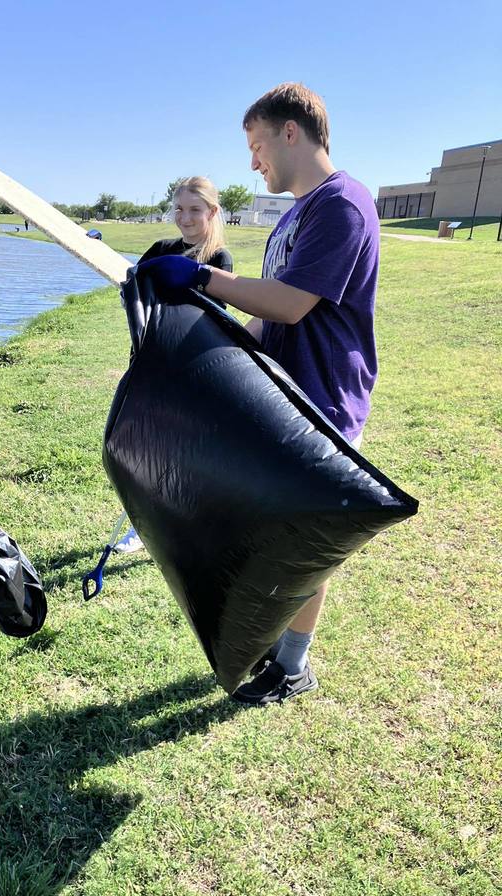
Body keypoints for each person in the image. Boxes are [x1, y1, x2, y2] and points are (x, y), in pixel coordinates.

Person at [137, 83, 380, 704]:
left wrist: (203, 276)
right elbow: (267, 317)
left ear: (290, 132)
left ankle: (293, 664)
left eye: (257, 144)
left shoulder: (341, 207)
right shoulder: (299, 212)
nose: (252, 161)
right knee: (272, 526)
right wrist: (212, 348)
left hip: (321, 396)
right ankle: (276, 642)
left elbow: (293, 306)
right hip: (283, 390)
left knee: (305, 536)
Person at [114, 176, 234, 555]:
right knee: (138, 443)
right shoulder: (161, 248)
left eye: (195, 210)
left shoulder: (217, 260)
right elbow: (132, 293)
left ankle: (177, 525)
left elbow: (213, 320)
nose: (185, 217)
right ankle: (143, 523)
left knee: (178, 449)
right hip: (147, 360)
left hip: (188, 367)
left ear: (212, 212)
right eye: (179, 209)